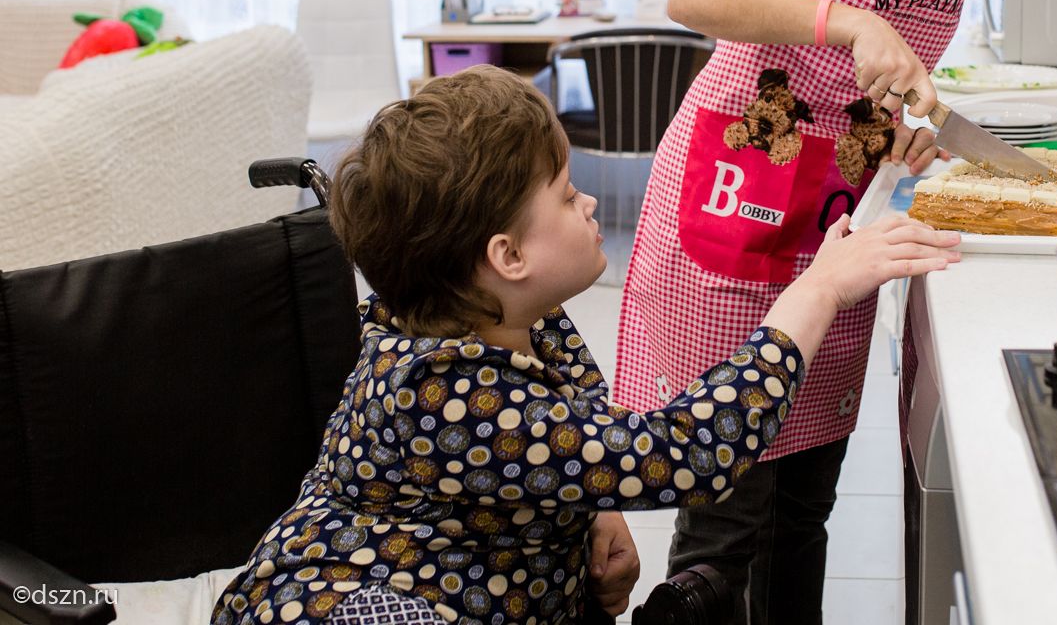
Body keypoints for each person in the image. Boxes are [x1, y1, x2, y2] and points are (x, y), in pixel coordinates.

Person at [612, 0, 1057, 624]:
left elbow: (872, 80)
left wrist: (900, 130)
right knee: (731, 501)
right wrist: (846, 19)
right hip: (739, 190)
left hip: (838, 212)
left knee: (805, 500)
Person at [211, 66, 961, 625]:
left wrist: (597, 513)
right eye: (568, 197)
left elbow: (583, 429)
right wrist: (817, 290)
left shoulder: (512, 314)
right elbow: (690, 456)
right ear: (508, 255)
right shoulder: (443, 393)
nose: (591, 202)